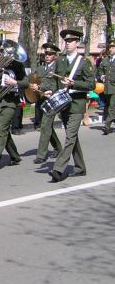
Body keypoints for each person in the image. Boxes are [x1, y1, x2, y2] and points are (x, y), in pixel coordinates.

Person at [43, 29, 95, 182]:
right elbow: (55, 81)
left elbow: (91, 84)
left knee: (70, 137)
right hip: (64, 104)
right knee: (72, 137)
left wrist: (75, 83)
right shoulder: (60, 60)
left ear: (77, 43)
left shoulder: (84, 62)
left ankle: (58, 169)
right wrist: (50, 91)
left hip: (77, 104)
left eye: (71, 41)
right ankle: (80, 167)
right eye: (66, 41)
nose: (68, 43)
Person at [0, 39, 29, 172]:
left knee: (1, 130)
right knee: (3, 130)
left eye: (9, 50)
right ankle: (15, 156)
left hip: (10, 102)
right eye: (5, 49)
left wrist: (14, 82)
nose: (6, 52)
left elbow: (26, 83)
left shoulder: (18, 65)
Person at [31, 43, 62, 164]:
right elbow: (35, 80)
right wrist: (34, 86)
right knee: (46, 126)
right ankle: (59, 148)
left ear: (55, 56)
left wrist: (44, 88)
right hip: (41, 100)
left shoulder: (57, 69)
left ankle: (41, 155)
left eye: (50, 54)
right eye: (46, 54)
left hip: (52, 100)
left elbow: (57, 84)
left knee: (44, 125)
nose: (48, 56)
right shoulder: (40, 68)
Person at [98, 41, 115, 135]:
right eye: (110, 48)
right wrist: (102, 76)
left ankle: (107, 125)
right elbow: (100, 69)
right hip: (107, 88)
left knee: (112, 107)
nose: (111, 49)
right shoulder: (105, 60)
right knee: (108, 106)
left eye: (113, 47)